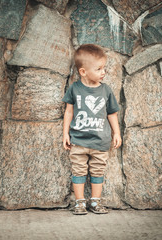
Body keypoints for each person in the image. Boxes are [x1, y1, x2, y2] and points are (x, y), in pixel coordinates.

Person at [62, 44, 122, 215]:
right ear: (83, 72)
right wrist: (65, 133)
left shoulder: (106, 90)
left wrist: (116, 133)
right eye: (99, 69)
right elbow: (68, 112)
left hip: (100, 141)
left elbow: (112, 113)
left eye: (104, 68)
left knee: (97, 171)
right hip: (78, 141)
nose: (103, 72)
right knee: (78, 171)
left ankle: (95, 202)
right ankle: (80, 202)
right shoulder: (74, 89)